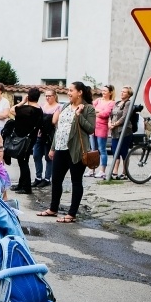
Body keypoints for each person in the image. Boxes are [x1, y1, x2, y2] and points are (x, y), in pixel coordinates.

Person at [36, 81, 96, 223]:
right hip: (60, 148)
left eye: (71, 90)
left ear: (79, 92)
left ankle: (72, 214)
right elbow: (59, 129)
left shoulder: (88, 108)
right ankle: (53, 209)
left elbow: (91, 129)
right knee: (56, 180)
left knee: (76, 181)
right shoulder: (66, 106)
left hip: (76, 150)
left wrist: (79, 115)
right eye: (68, 90)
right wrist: (53, 148)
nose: (68, 93)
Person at [9, 88, 43, 194]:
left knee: (23, 163)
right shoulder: (39, 110)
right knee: (23, 161)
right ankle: (21, 184)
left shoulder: (27, 109)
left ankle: (26, 187)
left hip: (23, 139)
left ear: (28, 96)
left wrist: (23, 102)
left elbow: (12, 110)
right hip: (31, 138)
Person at [32, 88, 60, 188]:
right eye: (46, 96)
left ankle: (47, 178)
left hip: (50, 135)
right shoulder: (43, 106)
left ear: (54, 96)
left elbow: (54, 121)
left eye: (49, 96)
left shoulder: (58, 107)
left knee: (49, 157)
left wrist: (42, 119)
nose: (47, 98)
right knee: (36, 155)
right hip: (40, 134)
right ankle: (38, 177)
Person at [108, 85, 134, 179]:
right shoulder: (117, 103)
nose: (122, 93)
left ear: (129, 94)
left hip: (124, 131)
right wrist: (109, 123)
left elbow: (125, 117)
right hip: (114, 131)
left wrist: (115, 124)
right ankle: (115, 172)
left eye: (124, 92)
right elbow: (111, 114)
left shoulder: (128, 103)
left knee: (124, 152)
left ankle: (124, 172)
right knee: (115, 151)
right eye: (121, 91)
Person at [90, 84, 115, 177]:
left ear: (110, 92)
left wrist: (97, 111)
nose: (103, 92)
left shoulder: (111, 103)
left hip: (102, 128)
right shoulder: (98, 100)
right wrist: (99, 111)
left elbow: (105, 114)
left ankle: (102, 171)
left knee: (102, 149)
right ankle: (92, 169)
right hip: (93, 127)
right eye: (102, 90)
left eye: (105, 91)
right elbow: (90, 109)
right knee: (93, 150)